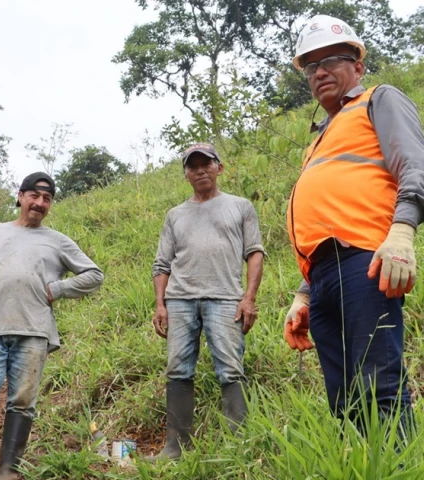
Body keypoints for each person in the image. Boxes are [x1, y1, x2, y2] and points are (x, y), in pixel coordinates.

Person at [284, 14, 424, 439]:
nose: (320, 71)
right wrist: (304, 292)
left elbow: (415, 167)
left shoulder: (379, 100)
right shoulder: (319, 138)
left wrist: (402, 233)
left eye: (332, 60)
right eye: (311, 66)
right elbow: (327, 212)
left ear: (358, 66)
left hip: (366, 260)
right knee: (345, 399)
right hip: (324, 276)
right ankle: (367, 467)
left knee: (378, 386)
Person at [0, 172, 104, 480]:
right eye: (34, 196)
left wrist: (58, 289)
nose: (39, 203)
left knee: (23, 399)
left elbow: (94, 274)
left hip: (35, 330)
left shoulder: (57, 241)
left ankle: (9, 470)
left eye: (47, 199)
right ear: (21, 196)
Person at [151, 143, 265, 459]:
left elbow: (254, 252)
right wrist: (160, 304)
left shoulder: (240, 206)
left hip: (226, 299)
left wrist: (249, 298)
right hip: (179, 301)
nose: (200, 170)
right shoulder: (175, 215)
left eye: (207, 163)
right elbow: (162, 264)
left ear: (219, 167)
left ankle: (238, 450)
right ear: (186, 174)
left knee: (230, 369)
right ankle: (175, 448)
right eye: (193, 166)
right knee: (177, 371)